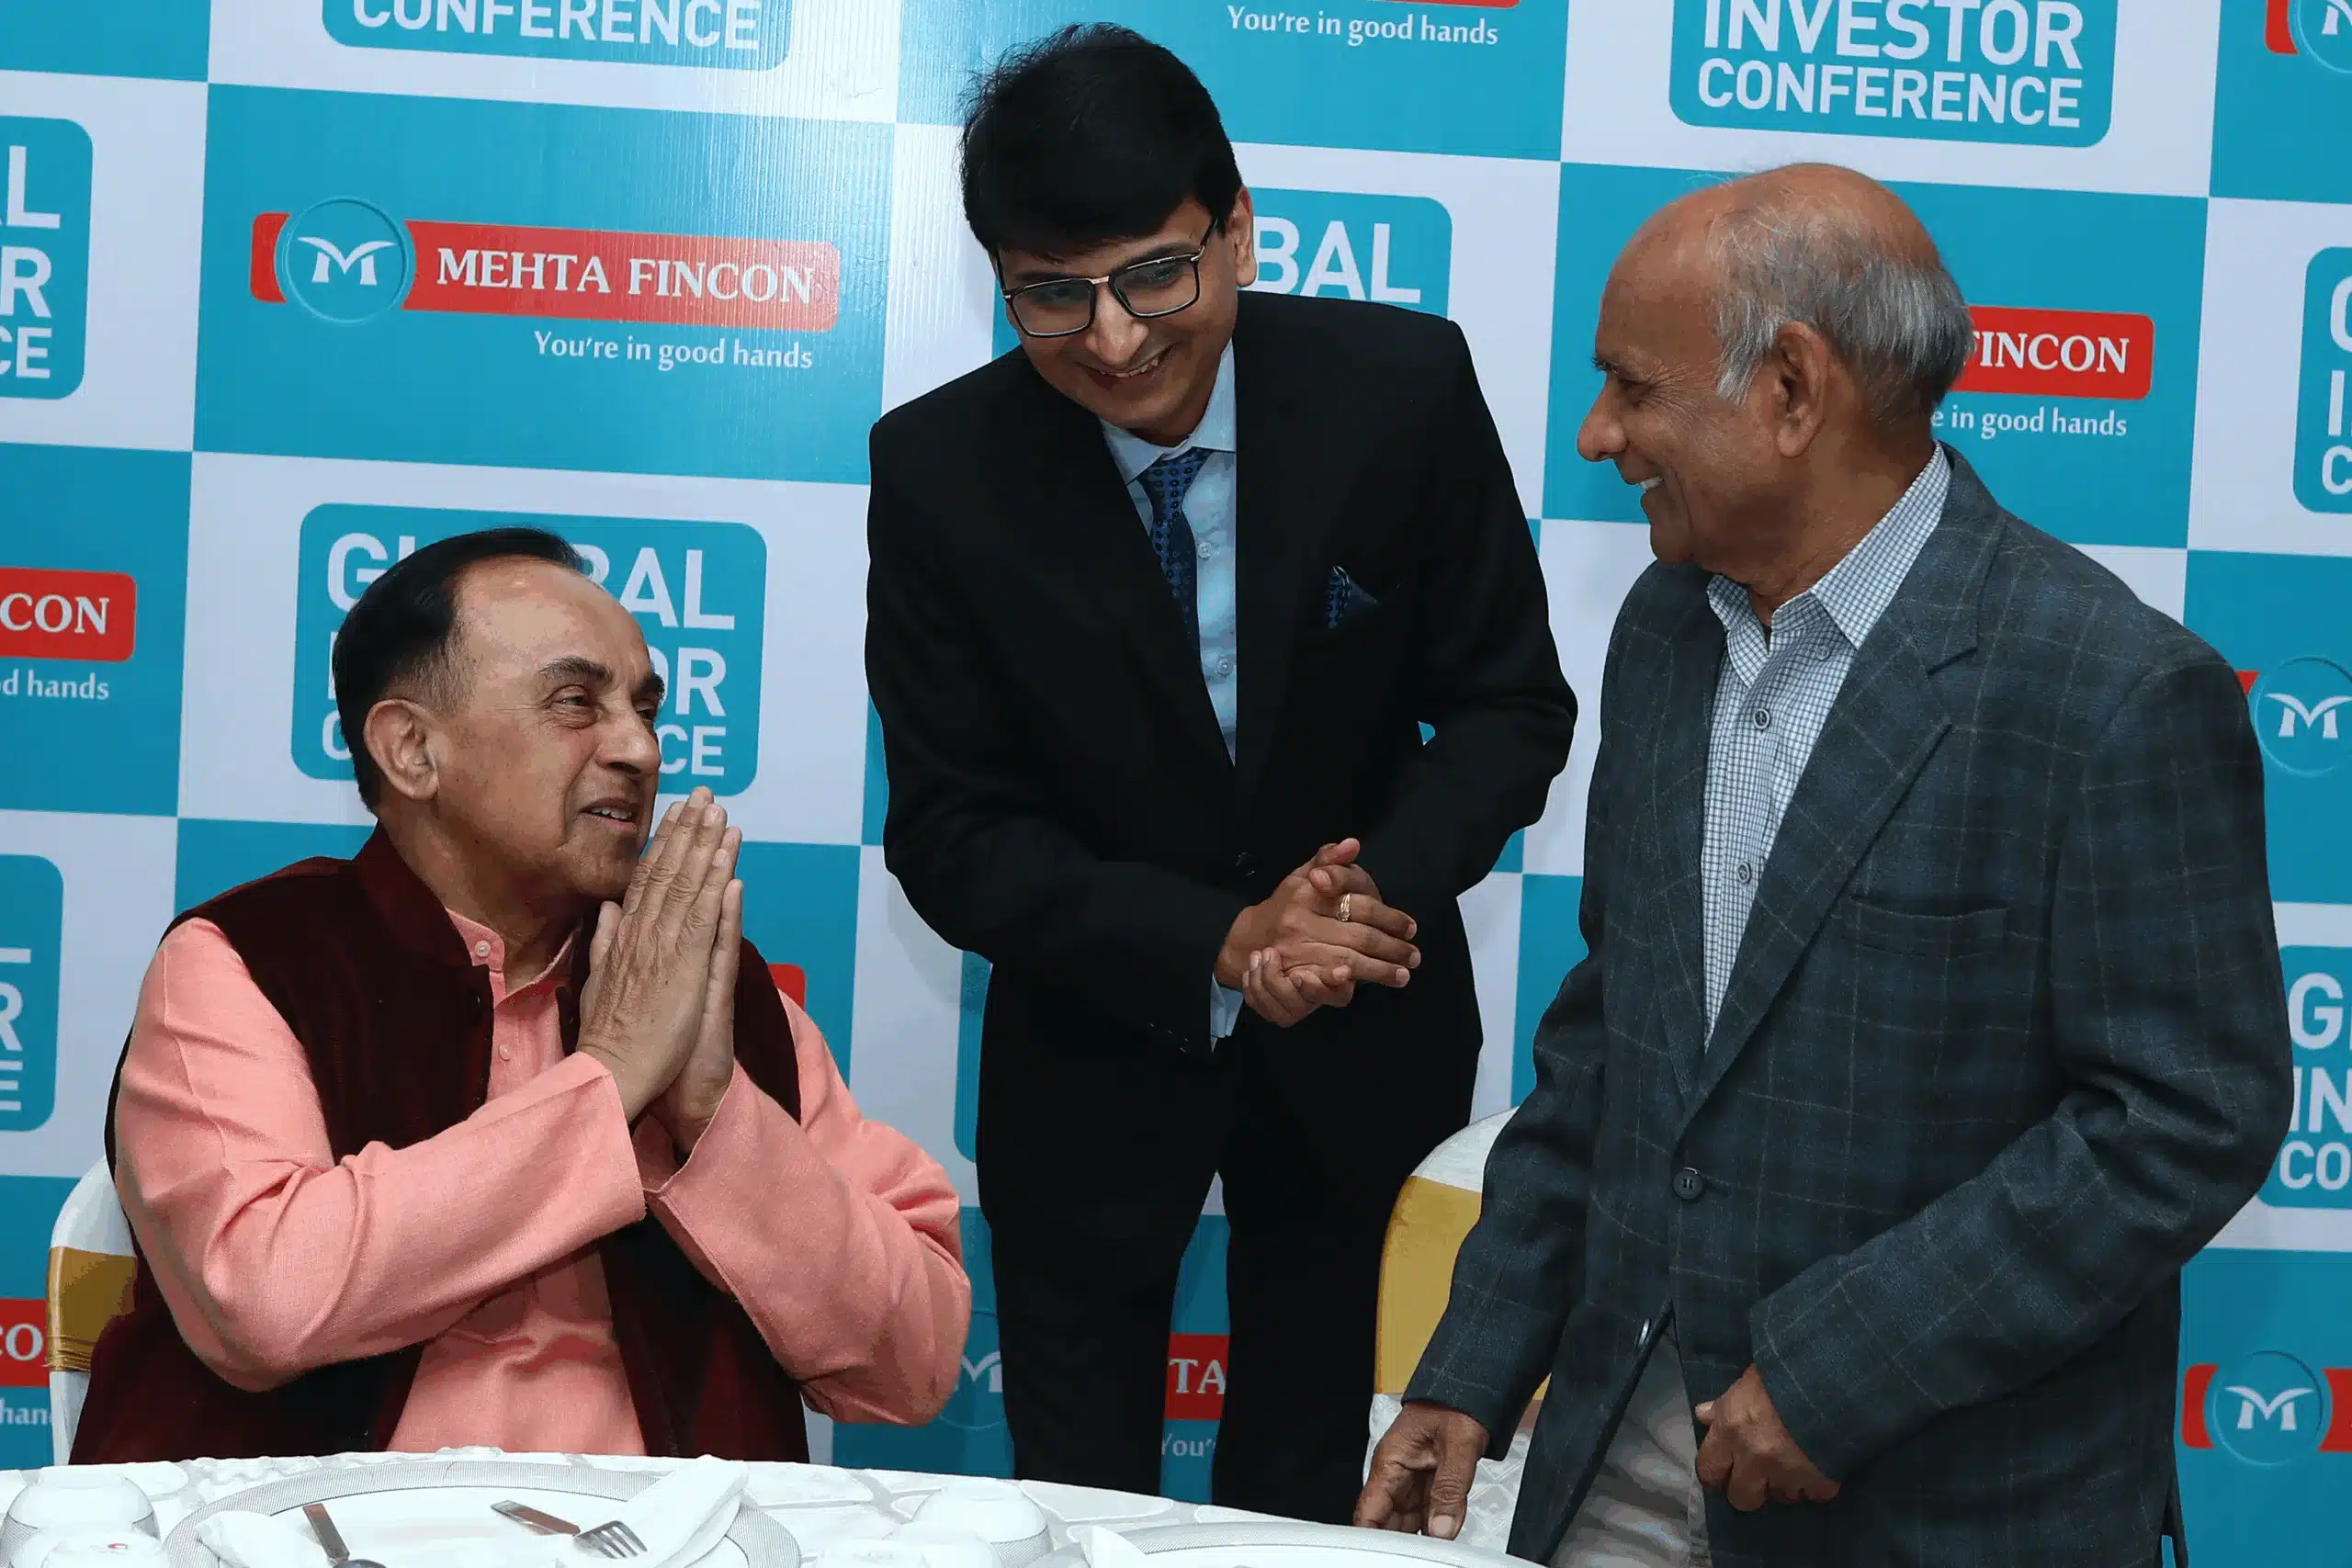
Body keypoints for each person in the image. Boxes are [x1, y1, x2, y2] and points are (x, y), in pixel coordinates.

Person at [1358, 164, 2293, 1567]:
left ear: (1793, 389)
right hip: (1624, 1439)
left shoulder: (2110, 690)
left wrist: (1840, 1370)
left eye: (1632, 386)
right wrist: (1471, 1365)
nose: (1599, 433)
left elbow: (2182, 1118)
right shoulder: (1665, 632)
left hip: (1942, 1494)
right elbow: (1614, 1040)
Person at [865, 24, 1575, 1523]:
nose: (1114, 338)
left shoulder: (1400, 390)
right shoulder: (941, 472)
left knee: (1318, 1490)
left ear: (1237, 228)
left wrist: (1357, 903)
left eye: (1155, 276)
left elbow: (1509, 704)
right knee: (1077, 1504)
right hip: (1093, 1050)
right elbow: (952, 829)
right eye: (1052, 294)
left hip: (1366, 1043)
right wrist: (1223, 941)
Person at [76, 526, 970, 1461]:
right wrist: (611, 1081)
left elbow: (913, 1365)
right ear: (412, 750)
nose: (638, 748)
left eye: (646, 709)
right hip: (316, 1525)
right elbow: (262, 1299)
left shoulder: (700, 982)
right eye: (576, 702)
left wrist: (714, 1115)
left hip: (670, 1530)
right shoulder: (249, 961)